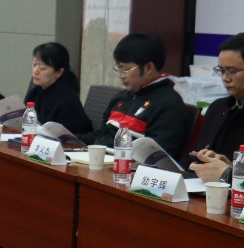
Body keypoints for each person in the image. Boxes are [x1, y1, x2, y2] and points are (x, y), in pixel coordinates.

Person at [79, 32, 191, 161]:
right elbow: (102, 135)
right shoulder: (121, 97)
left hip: (125, 168)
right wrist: (69, 140)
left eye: (125, 69)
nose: (120, 75)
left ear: (148, 68)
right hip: (100, 161)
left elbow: (157, 158)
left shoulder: (168, 104)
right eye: (119, 69)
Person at [190, 32, 244, 183]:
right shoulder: (218, 107)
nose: (225, 78)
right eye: (221, 70)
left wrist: (228, 173)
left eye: (232, 71)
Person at [24, 42, 92, 134]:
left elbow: (68, 136)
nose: (35, 71)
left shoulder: (67, 100)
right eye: (34, 65)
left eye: (42, 68)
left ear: (59, 72)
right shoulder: (34, 93)